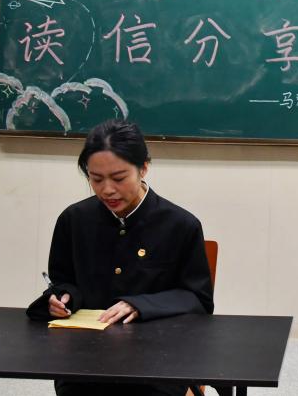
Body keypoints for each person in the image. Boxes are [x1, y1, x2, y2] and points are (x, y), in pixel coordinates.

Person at [26, 119, 214, 396]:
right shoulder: (73, 220)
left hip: (156, 365)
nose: (107, 190)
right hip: (84, 364)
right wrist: (63, 298)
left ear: (144, 168)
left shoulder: (180, 225)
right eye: (96, 179)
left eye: (119, 178)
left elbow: (198, 299)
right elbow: (63, 280)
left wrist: (140, 305)